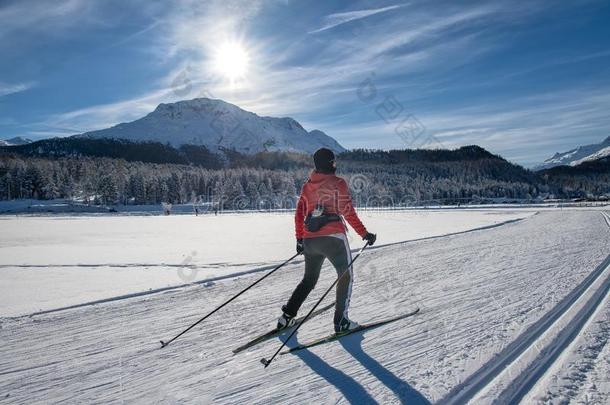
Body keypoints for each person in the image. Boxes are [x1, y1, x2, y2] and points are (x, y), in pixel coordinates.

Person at [278, 148, 376, 334]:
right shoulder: (338, 183)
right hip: (333, 240)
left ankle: (286, 317)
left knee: (308, 280)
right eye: (333, 162)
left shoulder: (307, 186)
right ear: (329, 163)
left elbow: (299, 215)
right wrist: (364, 234)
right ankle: (341, 322)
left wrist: (299, 239)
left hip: (310, 240)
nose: (335, 164)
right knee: (345, 275)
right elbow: (347, 211)